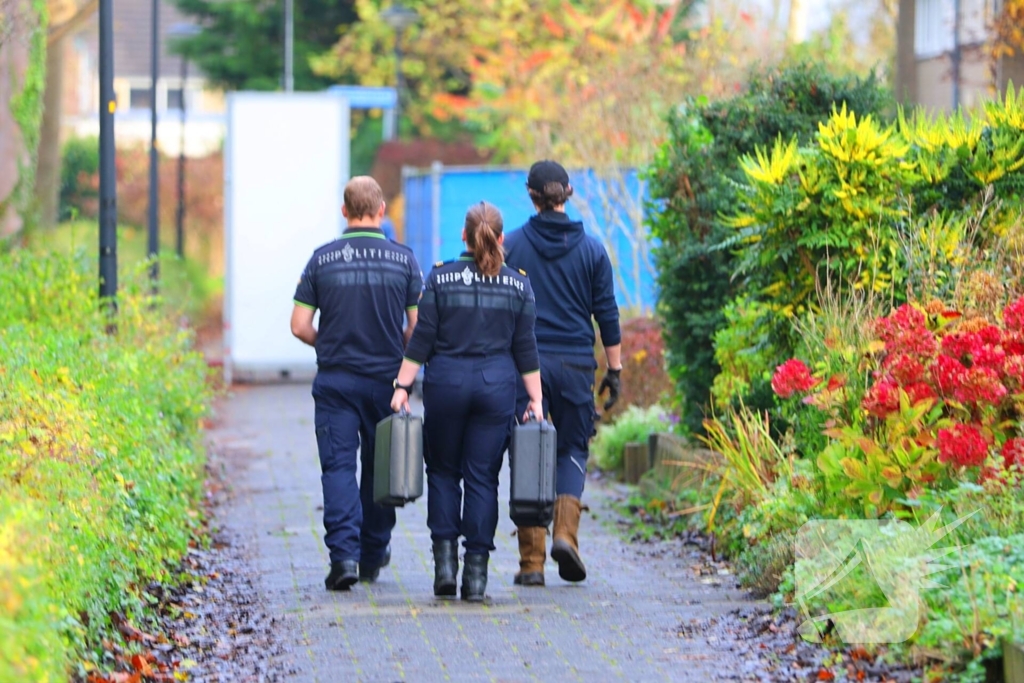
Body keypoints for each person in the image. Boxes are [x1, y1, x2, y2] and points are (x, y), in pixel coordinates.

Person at [390, 201, 544, 602]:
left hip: (446, 387)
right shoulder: (519, 284)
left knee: (442, 473)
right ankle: (475, 579)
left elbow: (421, 340)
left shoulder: (440, 279)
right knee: (482, 479)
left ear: (464, 235)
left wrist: (402, 387)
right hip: (496, 389)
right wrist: (536, 400)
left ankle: (444, 568)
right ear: (501, 238)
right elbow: (526, 349)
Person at [290, 176, 422, 591]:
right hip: (387, 382)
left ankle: (343, 557)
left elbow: (298, 326)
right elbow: (418, 329)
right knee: (382, 471)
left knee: (339, 468)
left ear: (344, 211)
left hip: (336, 382)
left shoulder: (321, 260)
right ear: (381, 211)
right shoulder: (404, 260)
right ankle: (371, 552)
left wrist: (325, 342)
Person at [503, 160, 622, 586]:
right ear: (568, 192)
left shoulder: (512, 246)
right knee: (572, 447)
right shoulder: (592, 250)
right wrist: (616, 369)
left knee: (527, 452)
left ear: (531, 196)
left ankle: (531, 564)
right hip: (575, 364)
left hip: (526, 367)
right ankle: (566, 535)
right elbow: (606, 313)